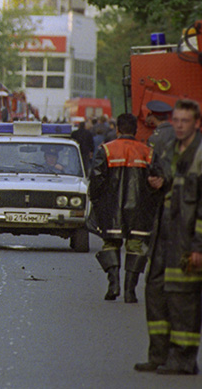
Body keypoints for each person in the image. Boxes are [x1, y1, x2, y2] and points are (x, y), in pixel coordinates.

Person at [135, 98, 202, 375]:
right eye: (176, 120)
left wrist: (198, 246)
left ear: (196, 124)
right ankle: (159, 354)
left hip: (188, 240)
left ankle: (184, 359)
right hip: (164, 234)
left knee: (183, 297)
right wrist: (157, 183)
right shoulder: (169, 149)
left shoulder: (199, 155)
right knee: (156, 291)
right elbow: (166, 183)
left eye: (184, 121)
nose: (178, 126)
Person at [88, 113, 155, 302]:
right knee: (135, 246)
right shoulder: (147, 152)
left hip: (112, 208)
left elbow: (97, 178)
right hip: (139, 209)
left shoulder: (107, 150)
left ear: (117, 129)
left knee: (110, 243)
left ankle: (113, 284)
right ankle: (130, 290)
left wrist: (96, 200)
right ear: (135, 130)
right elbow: (154, 181)